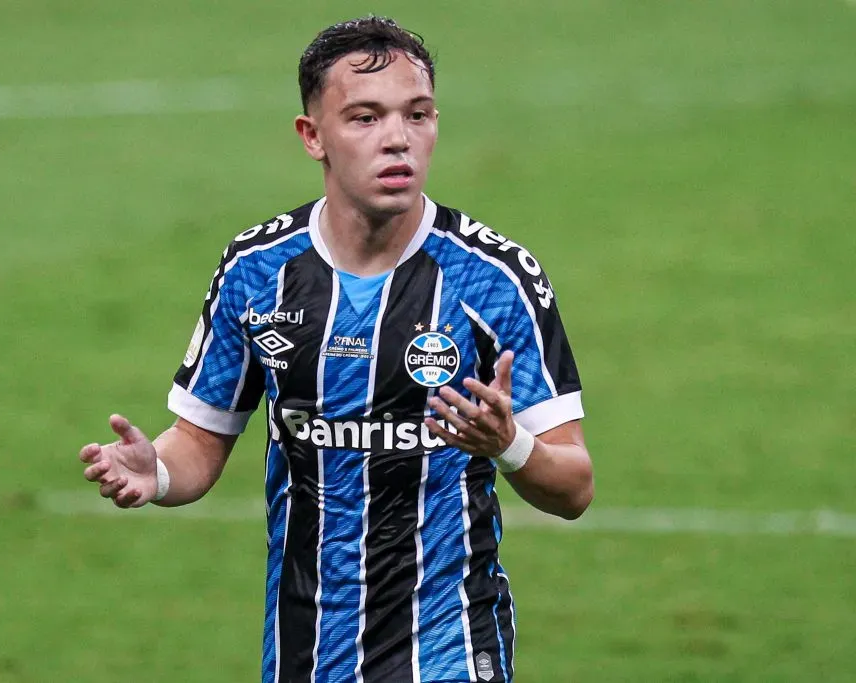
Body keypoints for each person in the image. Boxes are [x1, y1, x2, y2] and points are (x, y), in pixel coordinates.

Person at [79, 16, 593, 683]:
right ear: (312, 136)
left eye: (418, 114)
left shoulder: (493, 279)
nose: (398, 139)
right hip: (306, 648)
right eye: (365, 118)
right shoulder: (257, 271)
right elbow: (200, 443)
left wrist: (508, 445)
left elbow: (575, 485)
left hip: (450, 644)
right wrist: (158, 473)